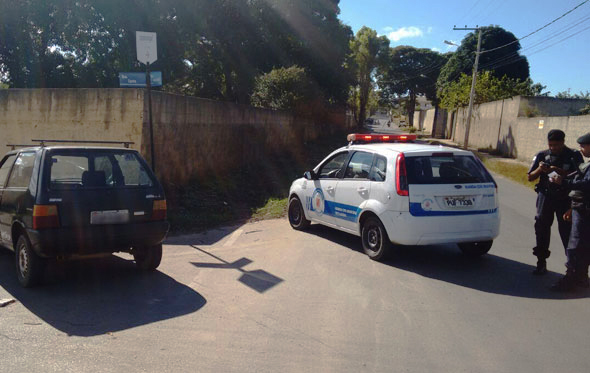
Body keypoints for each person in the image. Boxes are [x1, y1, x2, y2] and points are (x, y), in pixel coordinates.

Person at [527, 129, 584, 275]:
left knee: (567, 233)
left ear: (563, 142)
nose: (553, 148)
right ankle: (541, 262)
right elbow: (530, 177)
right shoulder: (542, 155)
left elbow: (580, 177)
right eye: (551, 145)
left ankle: (572, 268)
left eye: (556, 145)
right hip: (545, 197)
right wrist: (540, 169)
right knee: (541, 228)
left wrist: (557, 170)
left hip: (565, 198)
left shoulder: (573, 155)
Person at [549, 132, 590, 291]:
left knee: (575, 245)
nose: (581, 149)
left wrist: (563, 182)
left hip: (585, 211)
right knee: (583, 245)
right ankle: (581, 278)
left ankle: (571, 279)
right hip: (581, 208)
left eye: (583, 146)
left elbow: (586, 185)